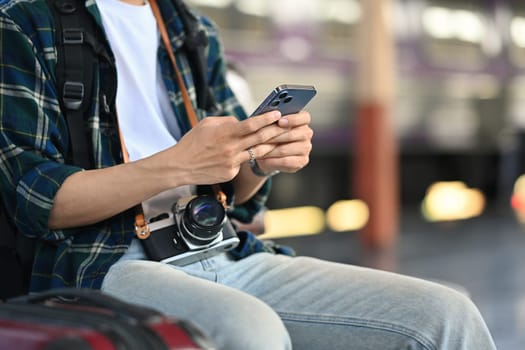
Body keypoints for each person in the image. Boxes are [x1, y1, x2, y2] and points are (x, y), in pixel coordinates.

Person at [0, 0, 497, 349]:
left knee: (445, 316)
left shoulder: (189, 29)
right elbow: (36, 200)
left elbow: (238, 197)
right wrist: (178, 163)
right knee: (248, 330)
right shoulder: (23, 21)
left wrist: (261, 160)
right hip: (107, 263)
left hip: (222, 248)